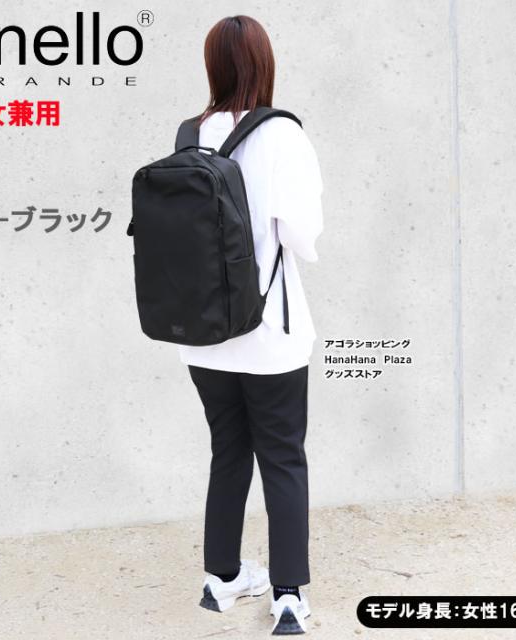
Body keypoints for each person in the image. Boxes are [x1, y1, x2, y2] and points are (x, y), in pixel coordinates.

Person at [179, 15, 323, 635]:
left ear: (212, 65)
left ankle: (221, 579)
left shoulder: (190, 134)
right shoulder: (282, 134)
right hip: (269, 336)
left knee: (228, 451)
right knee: (283, 456)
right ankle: (287, 595)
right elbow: (303, 237)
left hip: (202, 334)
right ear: (265, 63)